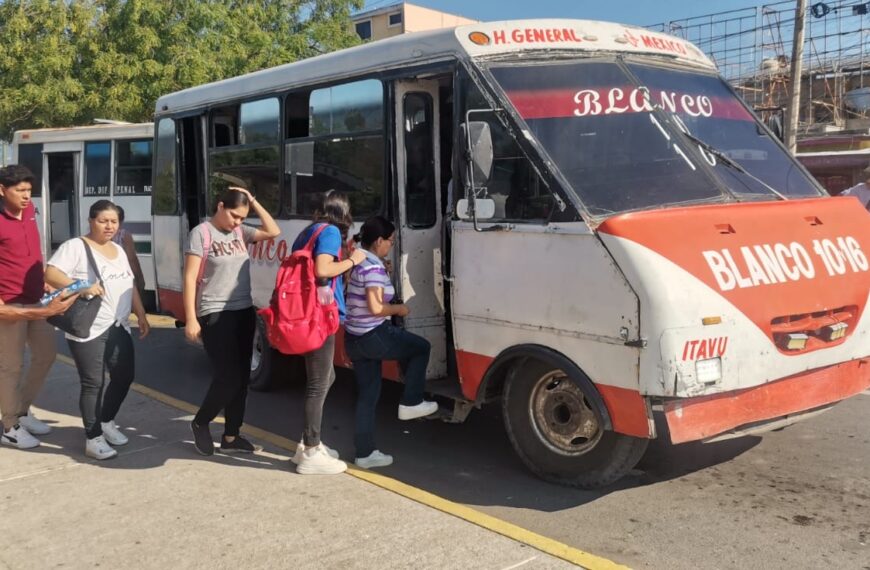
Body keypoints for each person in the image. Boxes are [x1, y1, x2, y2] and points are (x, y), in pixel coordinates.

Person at [45, 200, 152, 460]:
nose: (109, 226)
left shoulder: (118, 249)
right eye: (103, 221)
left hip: (118, 325)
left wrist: (141, 313)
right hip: (89, 326)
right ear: (91, 221)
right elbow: (51, 273)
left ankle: (105, 422)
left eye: (114, 222)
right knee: (93, 383)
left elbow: (130, 284)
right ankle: (93, 438)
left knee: (124, 376)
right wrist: (81, 285)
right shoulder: (75, 246)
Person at [184, 187, 280, 456]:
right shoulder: (201, 233)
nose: (238, 221)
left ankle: (231, 435)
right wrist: (191, 318)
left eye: (242, 217)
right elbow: (190, 277)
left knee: (241, 379)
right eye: (234, 215)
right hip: (214, 312)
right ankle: (201, 422)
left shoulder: (240, 232)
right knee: (227, 376)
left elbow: (273, 231)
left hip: (243, 310)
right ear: (220, 205)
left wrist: (253, 200)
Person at [344, 216, 438, 469]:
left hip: (353, 337)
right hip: (373, 335)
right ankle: (411, 401)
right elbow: (375, 307)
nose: (392, 245)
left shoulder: (358, 260)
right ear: (378, 241)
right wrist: (399, 310)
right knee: (421, 348)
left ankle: (365, 453)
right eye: (390, 241)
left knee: (368, 396)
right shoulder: (372, 268)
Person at [289, 192, 367, 475]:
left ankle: (307, 444)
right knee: (318, 383)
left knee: (324, 377)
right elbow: (323, 269)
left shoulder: (310, 230)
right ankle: (310, 450)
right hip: (320, 315)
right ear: (343, 212)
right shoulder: (331, 232)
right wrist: (353, 260)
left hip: (309, 314)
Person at [0, 165, 61, 450]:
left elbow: (32, 251)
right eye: (19, 191)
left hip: (36, 296)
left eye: (29, 190)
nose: (26, 196)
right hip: (8, 303)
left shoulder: (30, 210)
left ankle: (22, 411)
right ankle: (10, 426)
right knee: (11, 366)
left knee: (46, 355)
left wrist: (43, 280)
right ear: (2, 190)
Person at [111, 206, 146, 301]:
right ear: (121, 221)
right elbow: (132, 259)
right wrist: (140, 278)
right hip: (121, 278)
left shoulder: (95, 237)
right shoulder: (124, 236)